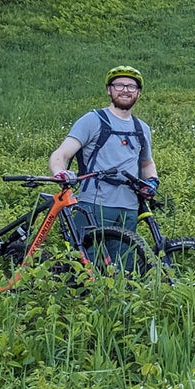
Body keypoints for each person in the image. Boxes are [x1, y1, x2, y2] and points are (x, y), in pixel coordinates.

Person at [48, 66, 159, 268]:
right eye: (119, 85)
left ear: (139, 92)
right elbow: (61, 154)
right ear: (109, 90)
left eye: (131, 86)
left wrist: (152, 180)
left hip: (128, 207)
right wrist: (60, 172)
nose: (125, 90)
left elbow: (146, 163)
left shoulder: (142, 128)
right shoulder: (92, 120)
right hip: (93, 205)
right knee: (83, 264)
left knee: (124, 266)